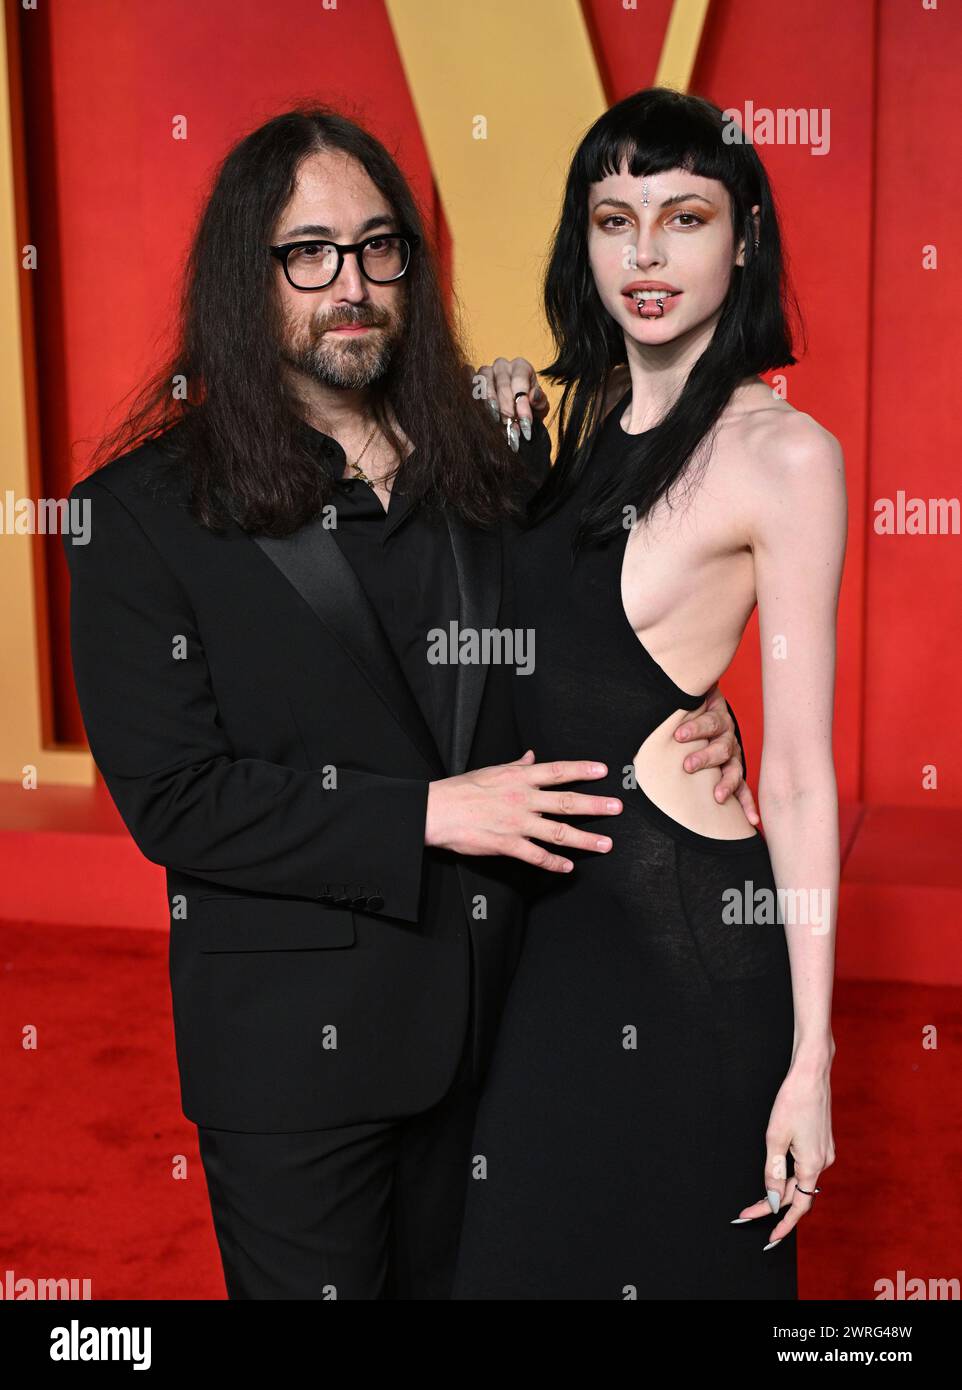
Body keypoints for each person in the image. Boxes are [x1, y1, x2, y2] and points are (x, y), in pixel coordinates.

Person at [61, 105, 751, 1300]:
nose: (351, 283)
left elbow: (565, 650)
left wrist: (676, 715)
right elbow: (177, 799)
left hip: (509, 1029)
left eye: (379, 248)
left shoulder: (484, 458)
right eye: (309, 253)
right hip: (293, 1066)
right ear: (248, 273)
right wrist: (429, 814)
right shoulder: (139, 513)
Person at [452, 87, 843, 1300]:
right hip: (552, 935)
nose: (646, 253)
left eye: (683, 216)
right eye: (614, 219)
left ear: (744, 238)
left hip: (683, 948)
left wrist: (810, 1061)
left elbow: (794, 769)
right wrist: (496, 422)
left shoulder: (785, 456)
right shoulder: (566, 429)